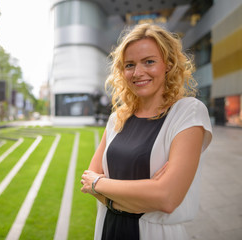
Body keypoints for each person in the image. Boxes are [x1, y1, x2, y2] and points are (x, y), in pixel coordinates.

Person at [80, 23, 212, 240]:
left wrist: (100, 184)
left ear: (168, 64)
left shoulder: (188, 112)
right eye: (129, 65)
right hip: (107, 229)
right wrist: (147, 191)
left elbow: (167, 198)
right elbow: (87, 180)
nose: (138, 73)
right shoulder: (117, 119)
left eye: (149, 62)